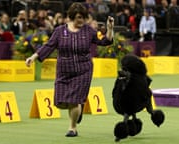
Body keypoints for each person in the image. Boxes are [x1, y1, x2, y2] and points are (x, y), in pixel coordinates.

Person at [25, 2, 114, 137]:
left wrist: (110, 28)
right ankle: (79, 108)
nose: (81, 20)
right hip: (64, 71)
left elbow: (105, 41)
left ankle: (72, 128)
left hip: (83, 70)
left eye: (83, 17)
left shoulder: (88, 31)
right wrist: (33, 57)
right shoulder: (60, 31)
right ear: (72, 17)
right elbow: (49, 46)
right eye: (78, 17)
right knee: (60, 102)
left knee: (74, 101)